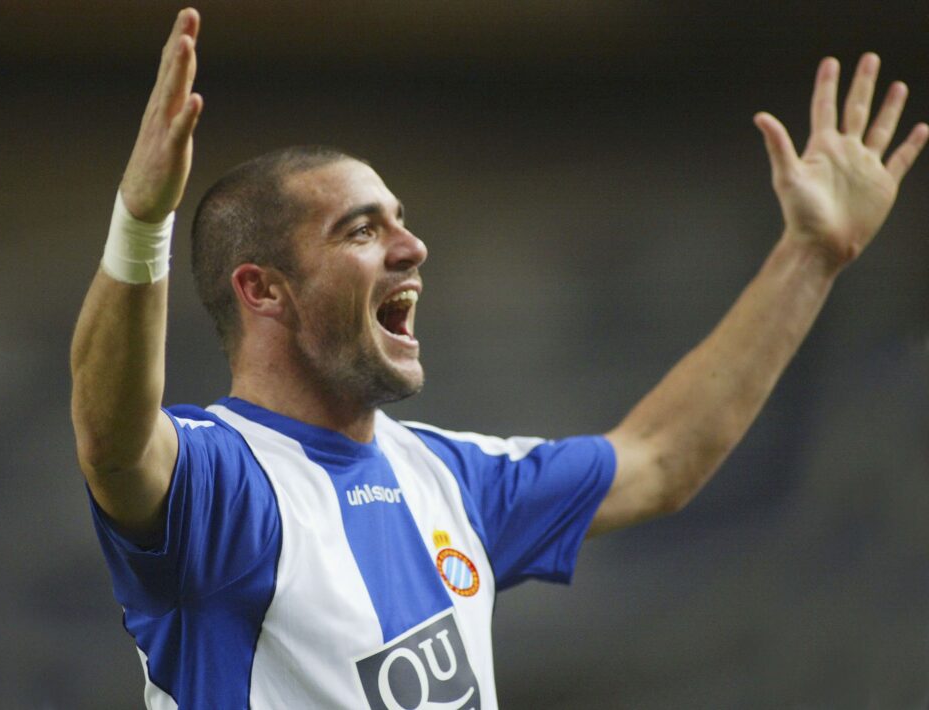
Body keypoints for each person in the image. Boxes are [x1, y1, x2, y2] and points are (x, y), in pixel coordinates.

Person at [70, 8, 927, 709]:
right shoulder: (223, 484)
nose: (413, 246)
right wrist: (142, 224)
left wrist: (811, 257)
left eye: (402, 219)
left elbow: (661, 459)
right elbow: (112, 437)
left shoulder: (450, 479)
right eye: (363, 230)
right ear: (264, 292)